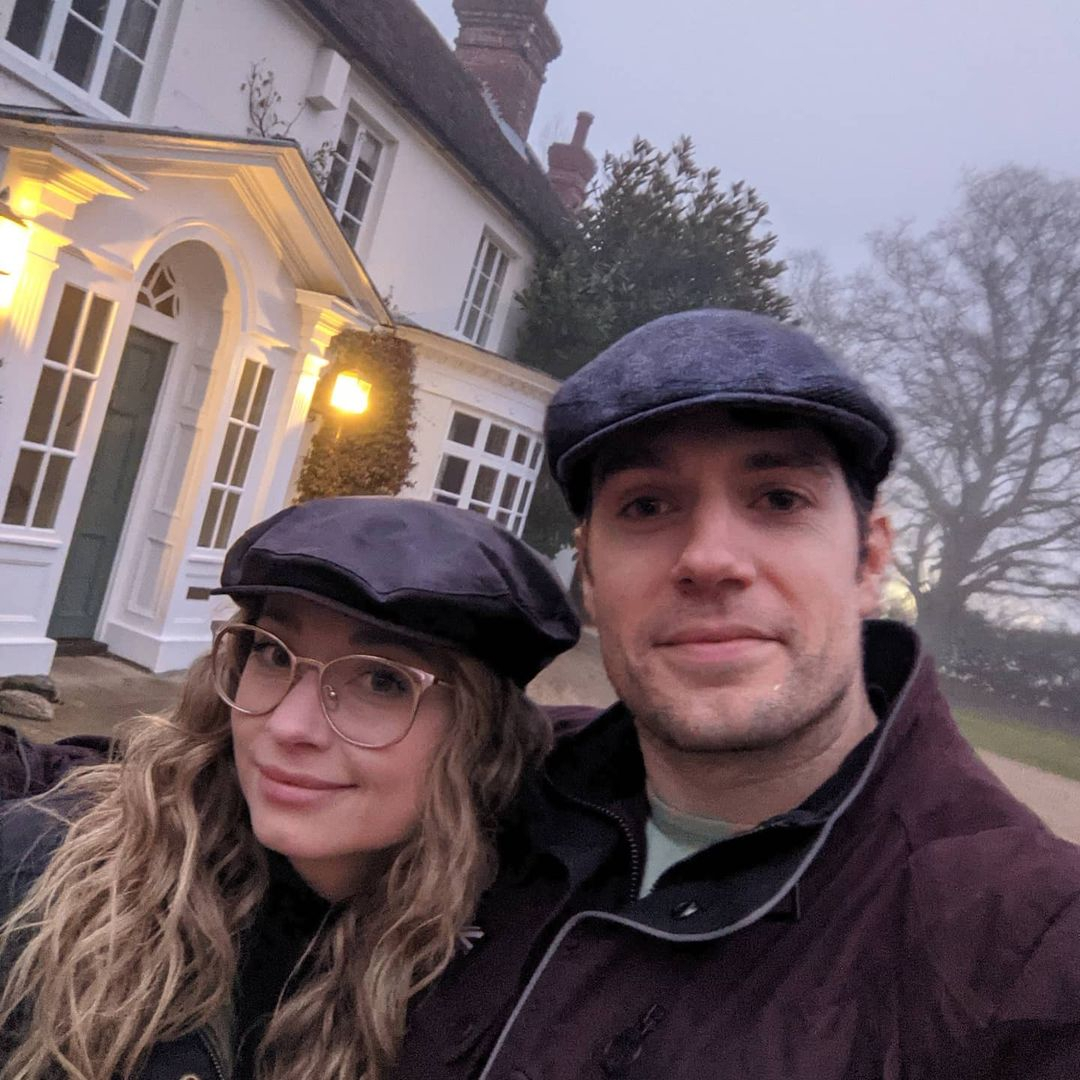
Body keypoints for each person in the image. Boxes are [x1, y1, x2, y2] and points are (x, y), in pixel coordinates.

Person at [391, 309, 1080, 1079]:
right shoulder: (480, 795)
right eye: (647, 505)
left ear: (867, 560)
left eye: (779, 499)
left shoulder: (1032, 952)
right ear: (589, 575)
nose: (710, 559)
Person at [0, 496, 579, 1080]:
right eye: (273, 653)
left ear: (480, 739)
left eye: (382, 680)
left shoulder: (501, 998)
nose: (286, 725)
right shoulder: (49, 876)